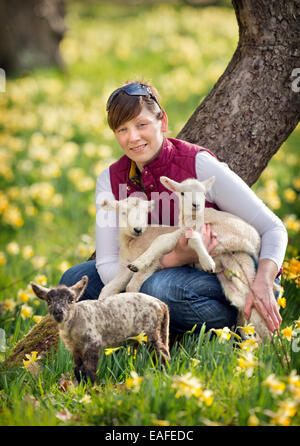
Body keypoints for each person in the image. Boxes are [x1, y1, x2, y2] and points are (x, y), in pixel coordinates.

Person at [60, 81, 287, 336]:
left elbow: (274, 228)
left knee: (159, 288)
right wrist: (171, 259)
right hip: (160, 270)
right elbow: (108, 261)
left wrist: (264, 281)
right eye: (122, 129)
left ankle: (230, 326)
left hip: (221, 271)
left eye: (141, 124)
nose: (133, 137)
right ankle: (159, 326)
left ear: (162, 122)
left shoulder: (198, 165)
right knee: (73, 281)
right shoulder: (110, 180)